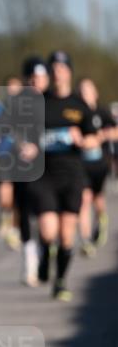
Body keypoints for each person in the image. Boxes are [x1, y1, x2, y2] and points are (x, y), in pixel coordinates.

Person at [28, 51, 97, 301]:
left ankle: (60, 281)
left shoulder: (79, 106)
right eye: (53, 68)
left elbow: (94, 137)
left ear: (69, 72)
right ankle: (46, 254)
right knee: (48, 231)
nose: (57, 72)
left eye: (61, 68)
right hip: (43, 175)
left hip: (71, 175)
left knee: (67, 235)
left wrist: (83, 139)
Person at [10, 57, 49, 286]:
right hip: (23, 166)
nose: (38, 81)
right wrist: (20, 144)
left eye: (42, 77)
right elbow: (9, 129)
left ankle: (46, 255)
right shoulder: (17, 102)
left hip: (50, 167)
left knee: (46, 216)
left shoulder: (53, 100)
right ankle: (30, 263)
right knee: (25, 214)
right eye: (33, 77)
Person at [76, 77, 117, 255]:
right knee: (84, 200)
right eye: (82, 91)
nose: (85, 94)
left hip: (100, 163)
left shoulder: (103, 111)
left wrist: (100, 137)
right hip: (81, 164)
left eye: (88, 90)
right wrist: (82, 141)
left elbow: (116, 132)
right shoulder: (76, 113)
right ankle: (86, 241)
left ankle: (101, 219)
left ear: (95, 92)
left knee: (97, 199)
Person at [0, 75, 23, 249]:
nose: (12, 91)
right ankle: (4, 215)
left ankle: (14, 230)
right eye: (9, 87)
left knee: (18, 198)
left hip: (22, 158)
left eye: (16, 88)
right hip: (3, 155)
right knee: (4, 192)